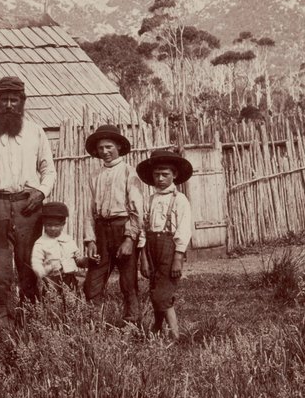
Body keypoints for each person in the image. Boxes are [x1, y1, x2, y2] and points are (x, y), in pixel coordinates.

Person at [0, 75, 56, 322]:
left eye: (14, 100)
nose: (9, 105)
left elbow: (49, 170)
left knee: (29, 269)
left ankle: (30, 324)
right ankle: (2, 327)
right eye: (4, 100)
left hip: (28, 208)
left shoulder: (36, 132)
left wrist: (41, 192)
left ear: (22, 102)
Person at [82, 124, 145, 325]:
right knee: (93, 282)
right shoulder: (95, 176)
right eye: (101, 148)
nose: (105, 151)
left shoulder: (129, 172)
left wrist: (129, 238)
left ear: (118, 146)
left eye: (109, 147)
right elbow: (89, 211)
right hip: (101, 231)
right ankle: (94, 325)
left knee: (128, 281)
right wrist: (90, 240)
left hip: (122, 228)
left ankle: (132, 324)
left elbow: (136, 209)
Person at [135, 147, 194, 339]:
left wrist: (178, 258)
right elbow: (143, 229)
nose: (160, 178)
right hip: (151, 248)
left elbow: (184, 230)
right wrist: (143, 258)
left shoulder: (180, 200)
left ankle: (176, 335)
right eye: (156, 174)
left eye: (165, 174)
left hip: (170, 249)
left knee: (163, 293)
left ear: (174, 175)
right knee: (154, 289)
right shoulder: (150, 200)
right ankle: (158, 326)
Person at [30, 201, 95, 303]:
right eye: (49, 225)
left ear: (63, 224)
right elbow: (36, 263)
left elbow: (78, 259)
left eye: (56, 225)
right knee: (52, 303)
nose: (52, 228)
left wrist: (88, 261)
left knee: (71, 302)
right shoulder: (41, 243)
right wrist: (44, 272)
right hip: (51, 280)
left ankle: (71, 312)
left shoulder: (68, 240)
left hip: (69, 279)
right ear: (44, 224)